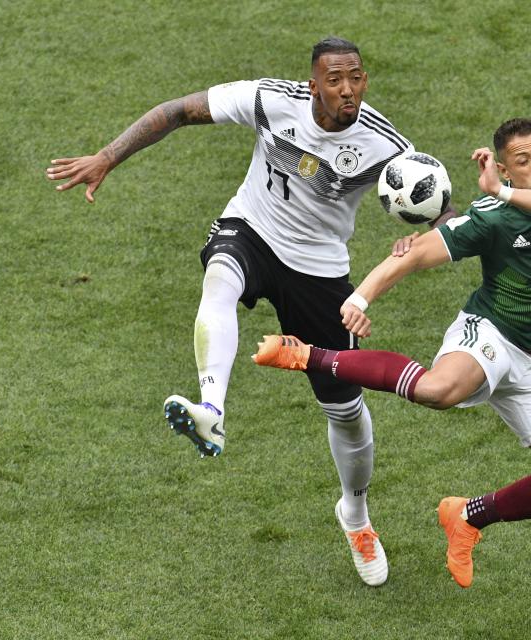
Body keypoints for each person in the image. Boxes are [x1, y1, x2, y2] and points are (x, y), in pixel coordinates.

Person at [46, 36, 430, 587]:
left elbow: (440, 208)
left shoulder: (384, 143)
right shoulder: (271, 100)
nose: (348, 90)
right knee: (219, 280)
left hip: (319, 271)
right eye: (335, 80)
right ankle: (212, 412)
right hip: (251, 228)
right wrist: (107, 156)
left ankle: (356, 515)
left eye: (357, 78)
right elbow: (178, 111)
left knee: (344, 408)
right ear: (313, 82)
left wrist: (412, 244)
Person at [253, 118, 531, 588]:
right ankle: (307, 355)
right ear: (505, 168)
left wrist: (504, 190)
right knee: (438, 390)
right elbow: (416, 254)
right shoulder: (492, 217)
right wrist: (360, 298)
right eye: (523, 161)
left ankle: (467, 516)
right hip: (491, 334)